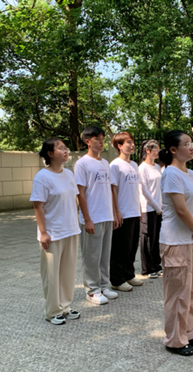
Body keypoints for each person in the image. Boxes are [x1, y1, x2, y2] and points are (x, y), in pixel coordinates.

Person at [159, 130, 193, 356]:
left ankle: (189, 332)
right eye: (186, 144)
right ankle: (175, 340)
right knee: (178, 293)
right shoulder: (171, 174)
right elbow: (180, 209)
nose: (192, 147)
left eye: (192, 143)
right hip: (176, 242)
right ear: (173, 149)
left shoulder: (191, 173)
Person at [30, 137, 81, 325]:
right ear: (50, 153)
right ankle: (52, 311)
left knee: (68, 272)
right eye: (60, 148)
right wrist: (43, 232)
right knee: (52, 274)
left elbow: (74, 200)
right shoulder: (42, 177)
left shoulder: (68, 174)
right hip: (53, 232)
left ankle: (65, 306)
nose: (65, 151)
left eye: (66, 148)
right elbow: (38, 206)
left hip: (71, 230)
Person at [74, 126, 120, 305]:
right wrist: (87, 219)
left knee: (104, 254)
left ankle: (103, 285)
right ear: (87, 141)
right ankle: (92, 290)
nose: (101, 142)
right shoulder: (82, 164)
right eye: (97, 139)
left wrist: (114, 213)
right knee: (91, 256)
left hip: (106, 215)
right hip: (93, 216)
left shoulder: (105, 163)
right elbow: (80, 192)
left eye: (102, 139)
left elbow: (110, 189)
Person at [109, 132, 144, 292]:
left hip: (134, 211)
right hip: (123, 212)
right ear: (119, 146)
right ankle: (117, 279)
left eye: (132, 142)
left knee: (132, 246)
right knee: (120, 248)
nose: (132, 145)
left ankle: (129, 274)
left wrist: (139, 208)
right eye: (128, 142)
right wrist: (116, 212)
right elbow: (113, 190)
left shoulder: (134, 165)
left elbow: (135, 189)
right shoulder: (115, 165)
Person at [138, 139, 163, 279]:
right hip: (148, 208)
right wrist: (155, 205)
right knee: (148, 238)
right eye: (155, 149)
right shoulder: (142, 168)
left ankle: (156, 264)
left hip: (159, 207)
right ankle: (147, 268)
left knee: (157, 237)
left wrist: (161, 205)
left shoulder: (157, 167)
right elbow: (144, 190)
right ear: (147, 150)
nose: (158, 152)